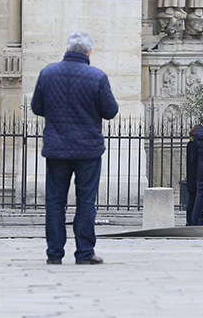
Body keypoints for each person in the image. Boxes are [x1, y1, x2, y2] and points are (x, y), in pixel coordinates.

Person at [32, 31, 118, 265]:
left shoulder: (48, 73)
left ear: (67, 50)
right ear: (89, 52)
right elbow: (110, 111)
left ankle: (54, 253)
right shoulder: (97, 77)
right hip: (88, 149)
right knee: (86, 202)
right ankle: (84, 252)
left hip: (57, 148)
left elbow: (37, 107)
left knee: (55, 202)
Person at [185, 126, 199, 226]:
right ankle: (194, 219)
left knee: (191, 198)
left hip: (191, 175)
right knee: (196, 199)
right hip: (197, 174)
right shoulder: (195, 144)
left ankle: (189, 219)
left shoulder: (190, 143)